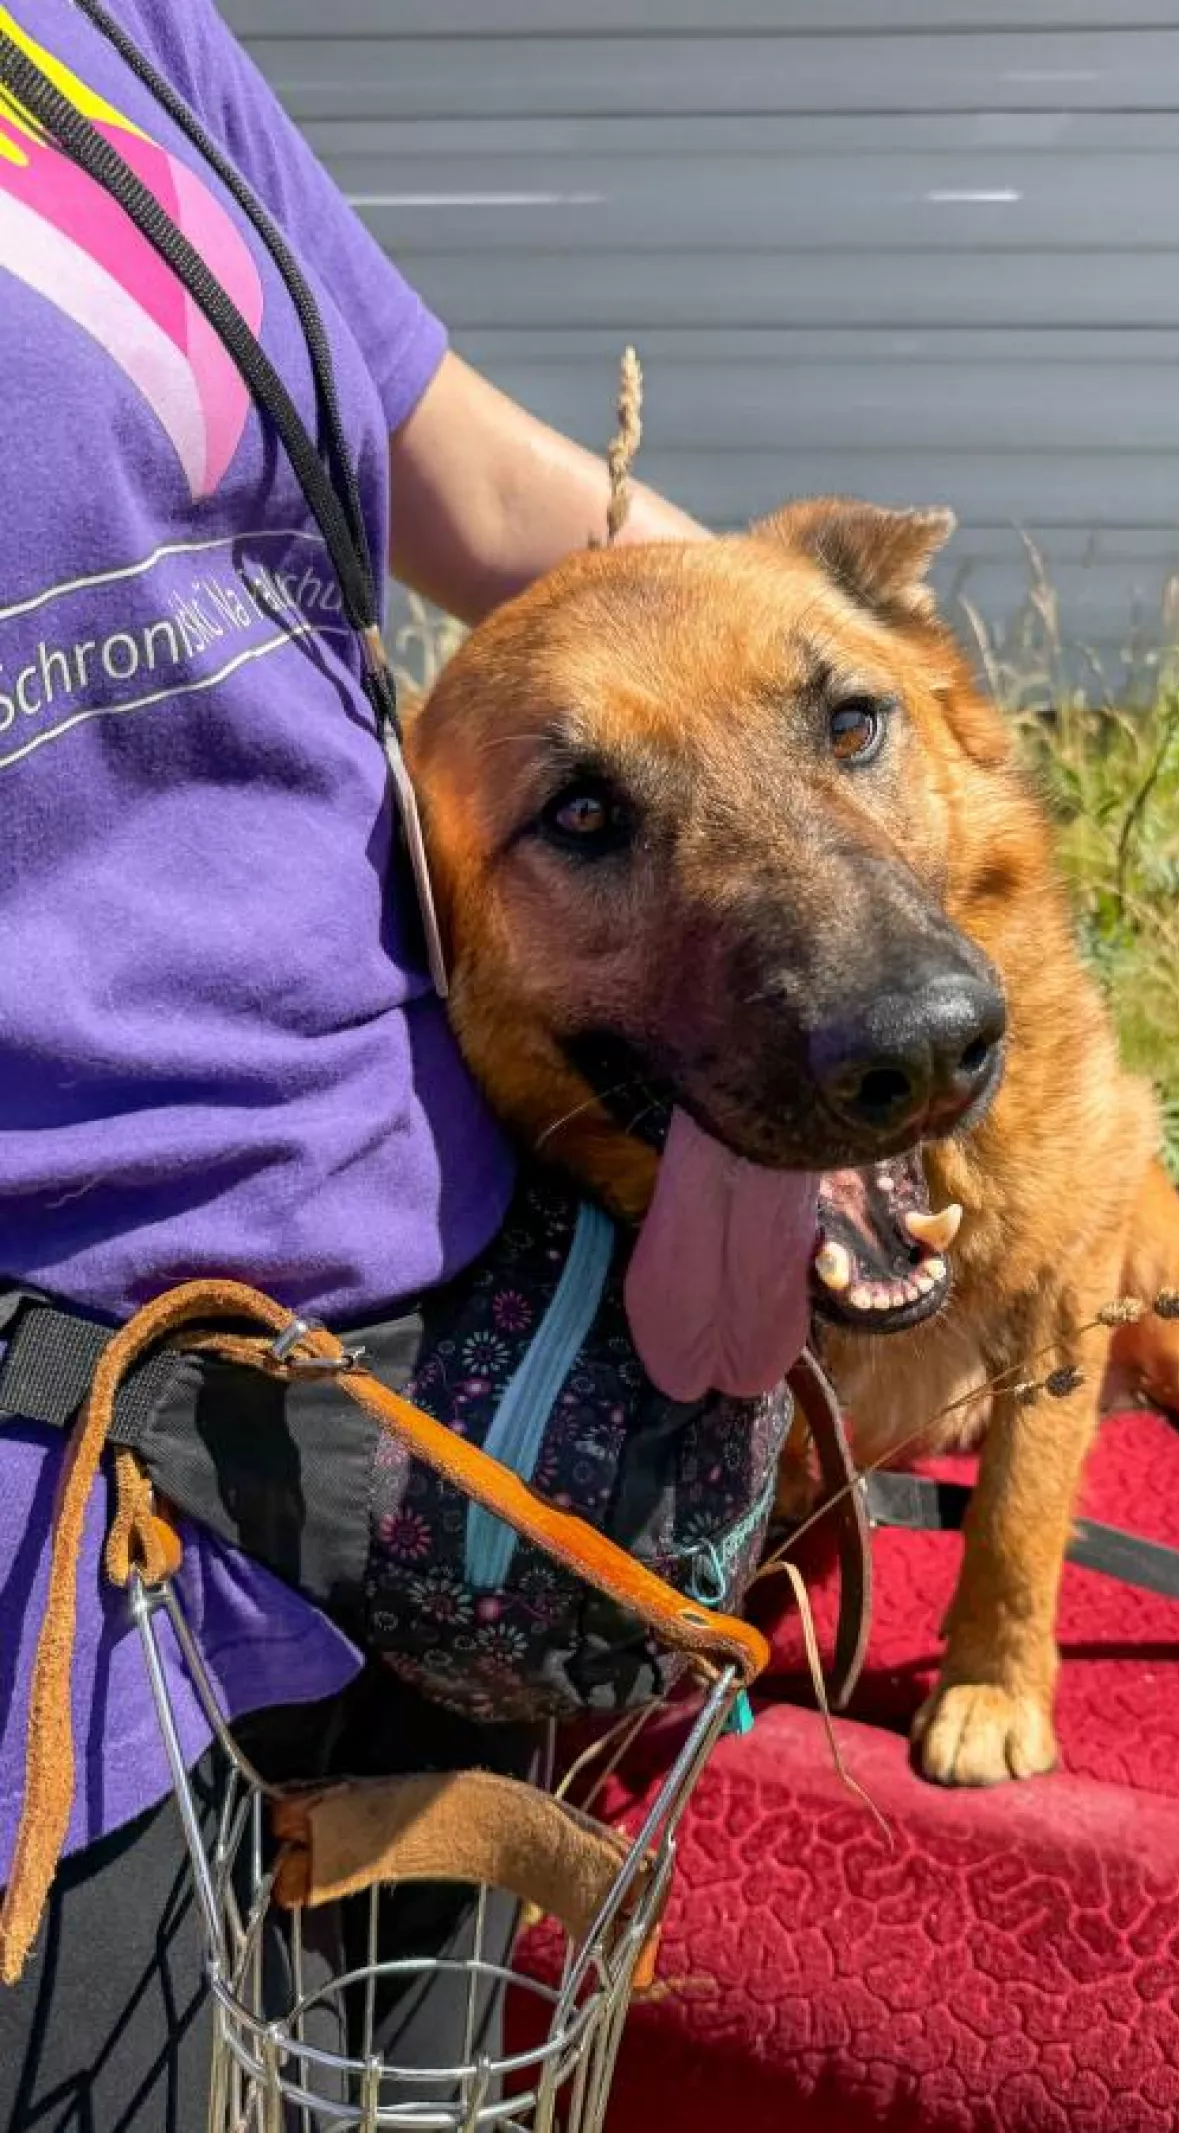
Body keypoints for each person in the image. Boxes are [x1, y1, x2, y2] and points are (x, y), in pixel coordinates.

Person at [0, 1, 705, 2121]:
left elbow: (481, 487)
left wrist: (859, 812)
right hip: (48, 1494)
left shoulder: (104, 23)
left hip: (433, 1374)